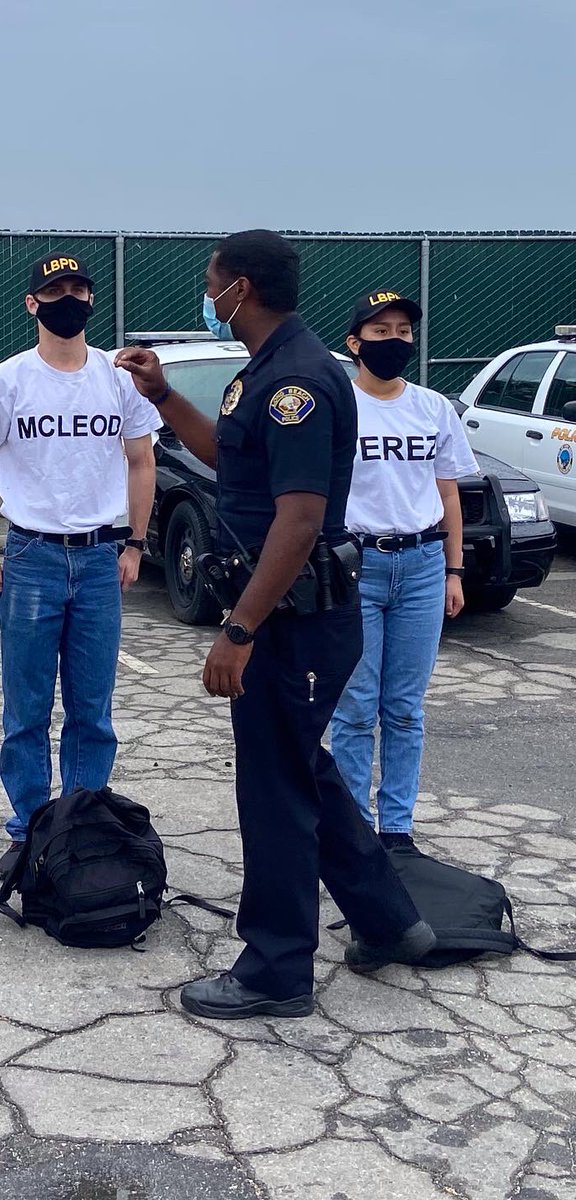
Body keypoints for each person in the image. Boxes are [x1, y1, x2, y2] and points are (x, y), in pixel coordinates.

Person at [116, 230, 435, 1020]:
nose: (207, 294)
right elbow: (231, 459)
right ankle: (390, 922)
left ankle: (276, 969)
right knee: (305, 773)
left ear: (242, 289)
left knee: (276, 791)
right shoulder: (262, 372)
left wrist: (240, 631)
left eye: (211, 283)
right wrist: (161, 394)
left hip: (296, 622)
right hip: (289, 618)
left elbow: (300, 519)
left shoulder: (298, 381)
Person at [0, 253, 160, 881]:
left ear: (91, 301)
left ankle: (83, 825)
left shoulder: (118, 377)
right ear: (32, 303)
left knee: (92, 709)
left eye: (78, 288)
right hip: (32, 555)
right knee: (25, 709)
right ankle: (28, 830)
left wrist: (135, 544)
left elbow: (141, 462)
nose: (67, 298)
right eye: (54, 290)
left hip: (101, 557)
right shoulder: (6, 381)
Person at [330, 290, 478, 848]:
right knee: (355, 707)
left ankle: (396, 829)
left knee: (405, 709)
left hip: (421, 566)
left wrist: (454, 571)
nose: (393, 341)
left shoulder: (433, 407)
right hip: (356, 568)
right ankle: (352, 833)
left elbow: (448, 495)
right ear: (354, 343)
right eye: (380, 331)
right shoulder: (338, 406)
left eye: (403, 331)